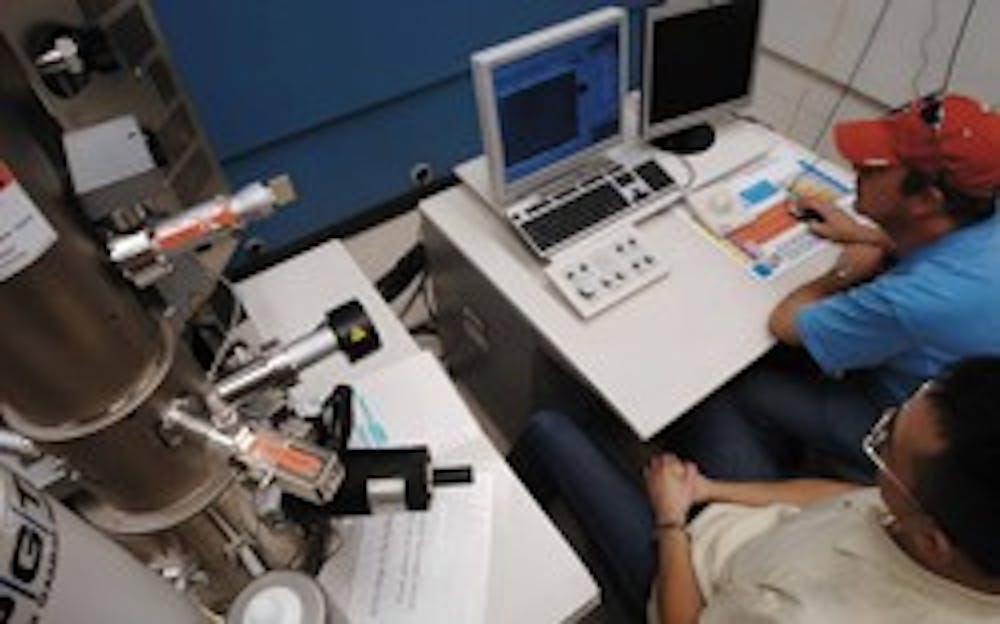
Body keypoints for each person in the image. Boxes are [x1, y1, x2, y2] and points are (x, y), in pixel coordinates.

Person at [517, 357, 1000, 622]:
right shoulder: (949, 523)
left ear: (933, 541)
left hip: (689, 581)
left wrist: (671, 520)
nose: (881, 432)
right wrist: (710, 488)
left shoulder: (802, 614)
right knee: (706, 392)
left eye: (884, 447)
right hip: (753, 529)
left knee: (548, 430)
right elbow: (840, 498)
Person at [675, 92, 1000, 480]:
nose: (856, 167)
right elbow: (947, 251)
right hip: (968, 406)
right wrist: (868, 235)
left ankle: (763, 512)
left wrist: (841, 275)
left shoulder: (919, 299)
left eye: (875, 168)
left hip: (906, 438)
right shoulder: (981, 207)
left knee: (734, 391)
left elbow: (786, 323)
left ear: (927, 199)